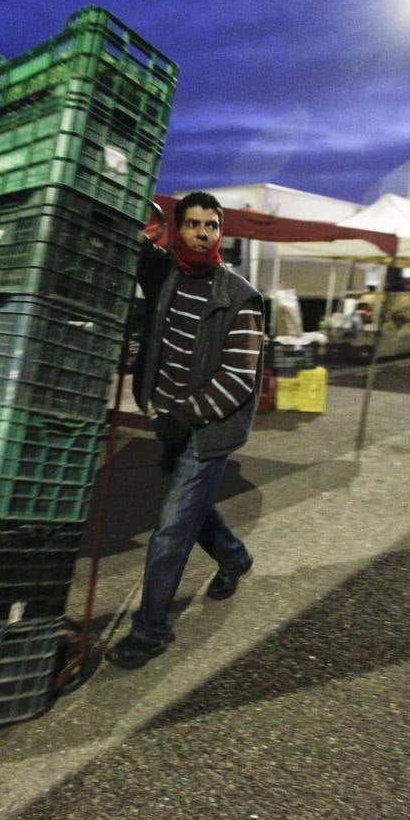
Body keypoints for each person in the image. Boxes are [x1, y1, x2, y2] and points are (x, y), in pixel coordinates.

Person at [106, 192, 265, 670]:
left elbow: (238, 378)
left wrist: (183, 417)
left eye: (211, 226)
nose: (202, 233)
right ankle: (234, 558)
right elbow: (126, 240)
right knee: (193, 507)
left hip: (209, 429)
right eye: (193, 224)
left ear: (221, 232)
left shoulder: (241, 298)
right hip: (170, 420)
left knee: (171, 531)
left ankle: (150, 631)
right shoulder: (164, 275)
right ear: (177, 229)